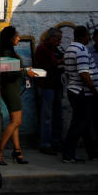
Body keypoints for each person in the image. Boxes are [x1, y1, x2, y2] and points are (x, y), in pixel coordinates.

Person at [0, 26, 40, 165]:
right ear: (10, 38)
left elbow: (13, 69)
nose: (19, 38)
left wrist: (25, 70)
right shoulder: (5, 52)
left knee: (13, 122)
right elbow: (8, 72)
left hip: (13, 88)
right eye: (16, 36)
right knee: (17, 121)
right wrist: (25, 72)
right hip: (10, 89)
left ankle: (18, 152)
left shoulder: (9, 51)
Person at [62, 26, 98, 163]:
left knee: (85, 123)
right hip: (81, 92)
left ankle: (93, 152)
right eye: (88, 36)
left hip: (76, 90)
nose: (89, 38)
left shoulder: (70, 49)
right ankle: (68, 154)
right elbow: (84, 73)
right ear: (83, 36)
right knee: (78, 124)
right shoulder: (81, 50)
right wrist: (95, 91)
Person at [33, 27, 65, 155]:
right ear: (50, 37)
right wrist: (60, 62)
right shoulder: (42, 49)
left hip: (56, 86)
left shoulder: (55, 49)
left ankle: (56, 142)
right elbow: (47, 66)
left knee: (58, 116)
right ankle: (46, 144)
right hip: (46, 86)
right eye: (57, 39)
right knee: (47, 117)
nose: (59, 42)